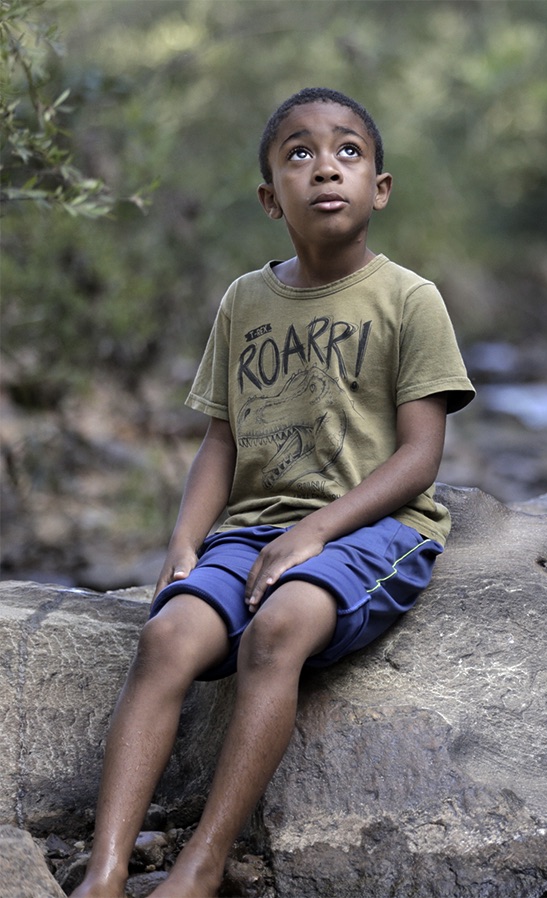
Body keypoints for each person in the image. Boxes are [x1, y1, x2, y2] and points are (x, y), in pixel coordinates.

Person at [72, 87, 475, 898]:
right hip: (250, 529)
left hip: (376, 529)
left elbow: (420, 456)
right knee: (166, 638)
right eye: (299, 153)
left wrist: (317, 532)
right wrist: (186, 542)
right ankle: (107, 870)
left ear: (380, 188)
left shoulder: (409, 299)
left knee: (278, 627)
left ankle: (202, 865)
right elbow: (218, 441)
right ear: (270, 198)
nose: (325, 166)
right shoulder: (244, 301)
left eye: (347, 152)